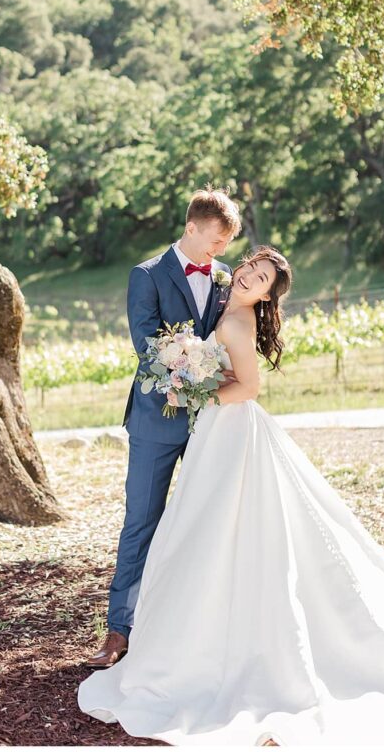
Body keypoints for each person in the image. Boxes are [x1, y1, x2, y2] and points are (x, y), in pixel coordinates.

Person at [78, 243, 384, 746]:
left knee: (221, 526)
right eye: (250, 268)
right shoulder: (223, 302)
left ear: (264, 298)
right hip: (216, 430)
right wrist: (191, 374)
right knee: (206, 527)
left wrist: (198, 389)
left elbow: (249, 387)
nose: (248, 277)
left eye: (258, 280)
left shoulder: (237, 321)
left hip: (231, 427)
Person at [85, 186, 241, 670]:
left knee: (205, 525)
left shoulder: (223, 279)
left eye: (226, 245)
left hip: (212, 424)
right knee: (141, 522)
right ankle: (119, 630)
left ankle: (196, 631)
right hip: (156, 421)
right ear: (192, 226)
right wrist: (198, 367)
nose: (219, 252)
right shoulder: (146, 275)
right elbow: (147, 345)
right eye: (216, 240)